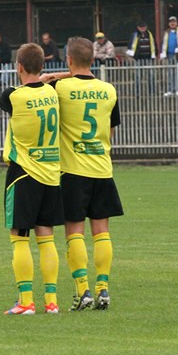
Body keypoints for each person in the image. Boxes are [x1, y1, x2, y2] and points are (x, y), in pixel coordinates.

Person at [45, 37, 123, 312]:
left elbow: (38, 81)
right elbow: (112, 129)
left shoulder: (60, 86)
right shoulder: (109, 90)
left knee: (73, 232)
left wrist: (60, 73)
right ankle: (103, 289)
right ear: (93, 59)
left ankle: (82, 291)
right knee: (101, 231)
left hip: (72, 170)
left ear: (67, 59)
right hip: (101, 168)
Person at [0, 42, 64, 315]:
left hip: (23, 173)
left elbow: (9, 96)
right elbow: (45, 84)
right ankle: (51, 301)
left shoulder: (12, 96)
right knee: (46, 238)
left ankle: (25, 302)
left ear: (19, 67)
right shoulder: (52, 93)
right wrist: (45, 79)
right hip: (50, 173)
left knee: (19, 238)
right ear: (43, 67)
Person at [126, 21, 156, 95]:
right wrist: (133, 55)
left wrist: (154, 54)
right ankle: (138, 92)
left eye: (144, 27)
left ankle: (152, 92)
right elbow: (130, 45)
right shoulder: (134, 35)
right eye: (141, 27)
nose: (142, 28)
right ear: (138, 27)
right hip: (138, 58)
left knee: (150, 75)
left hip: (149, 58)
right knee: (138, 76)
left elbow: (154, 45)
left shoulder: (150, 35)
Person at [159, 16, 178, 96]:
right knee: (170, 72)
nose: (172, 23)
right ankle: (170, 89)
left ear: (177, 23)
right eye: (171, 22)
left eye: (174, 22)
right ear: (169, 24)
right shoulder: (165, 33)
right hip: (169, 55)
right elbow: (162, 43)